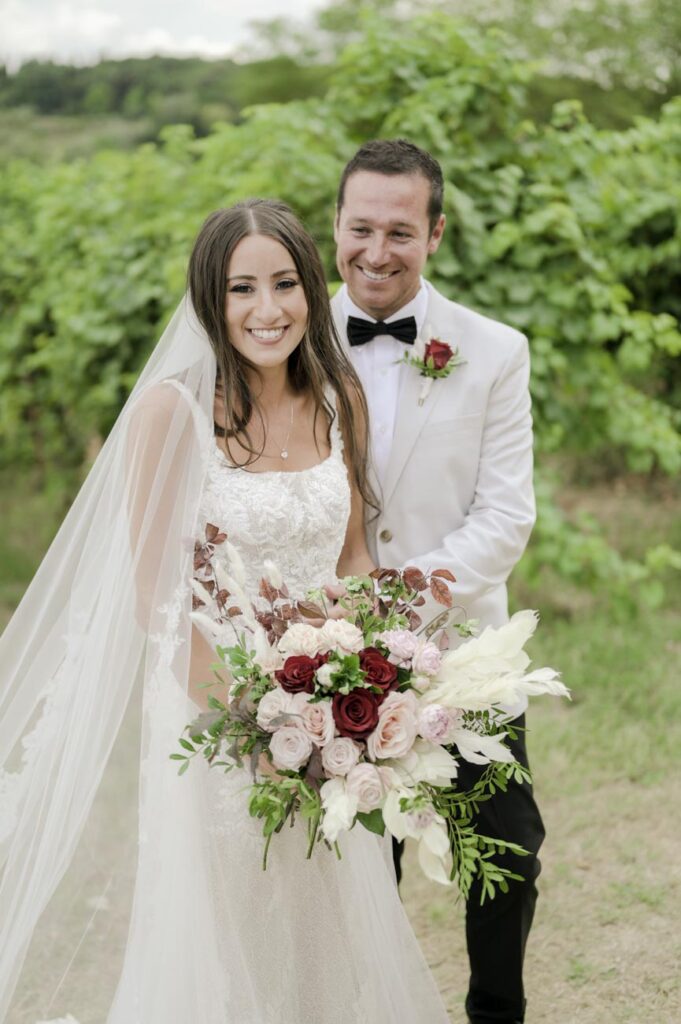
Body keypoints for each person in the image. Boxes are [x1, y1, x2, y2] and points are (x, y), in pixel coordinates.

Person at [0, 200, 451, 1023]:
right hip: (220, 725)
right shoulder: (169, 415)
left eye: (284, 283)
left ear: (312, 290)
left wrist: (365, 685)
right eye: (242, 288)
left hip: (331, 722)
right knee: (242, 941)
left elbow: (351, 555)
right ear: (211, 300)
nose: (267, 309)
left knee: (333, 931)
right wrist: (256, 726)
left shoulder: (337, 397)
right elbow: (156, 598)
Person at [330, 139, 545, 1024]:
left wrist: (401, 599)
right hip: (325, 653)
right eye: (359, 228)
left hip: (460, 646)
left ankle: (495, 1009)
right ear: (333, 226)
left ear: (436, 233)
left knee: (509, 850)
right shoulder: (282, 337)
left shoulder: (493, 351)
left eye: (400, 231)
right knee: (349, 857)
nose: (376, 251)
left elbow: (505, 515)